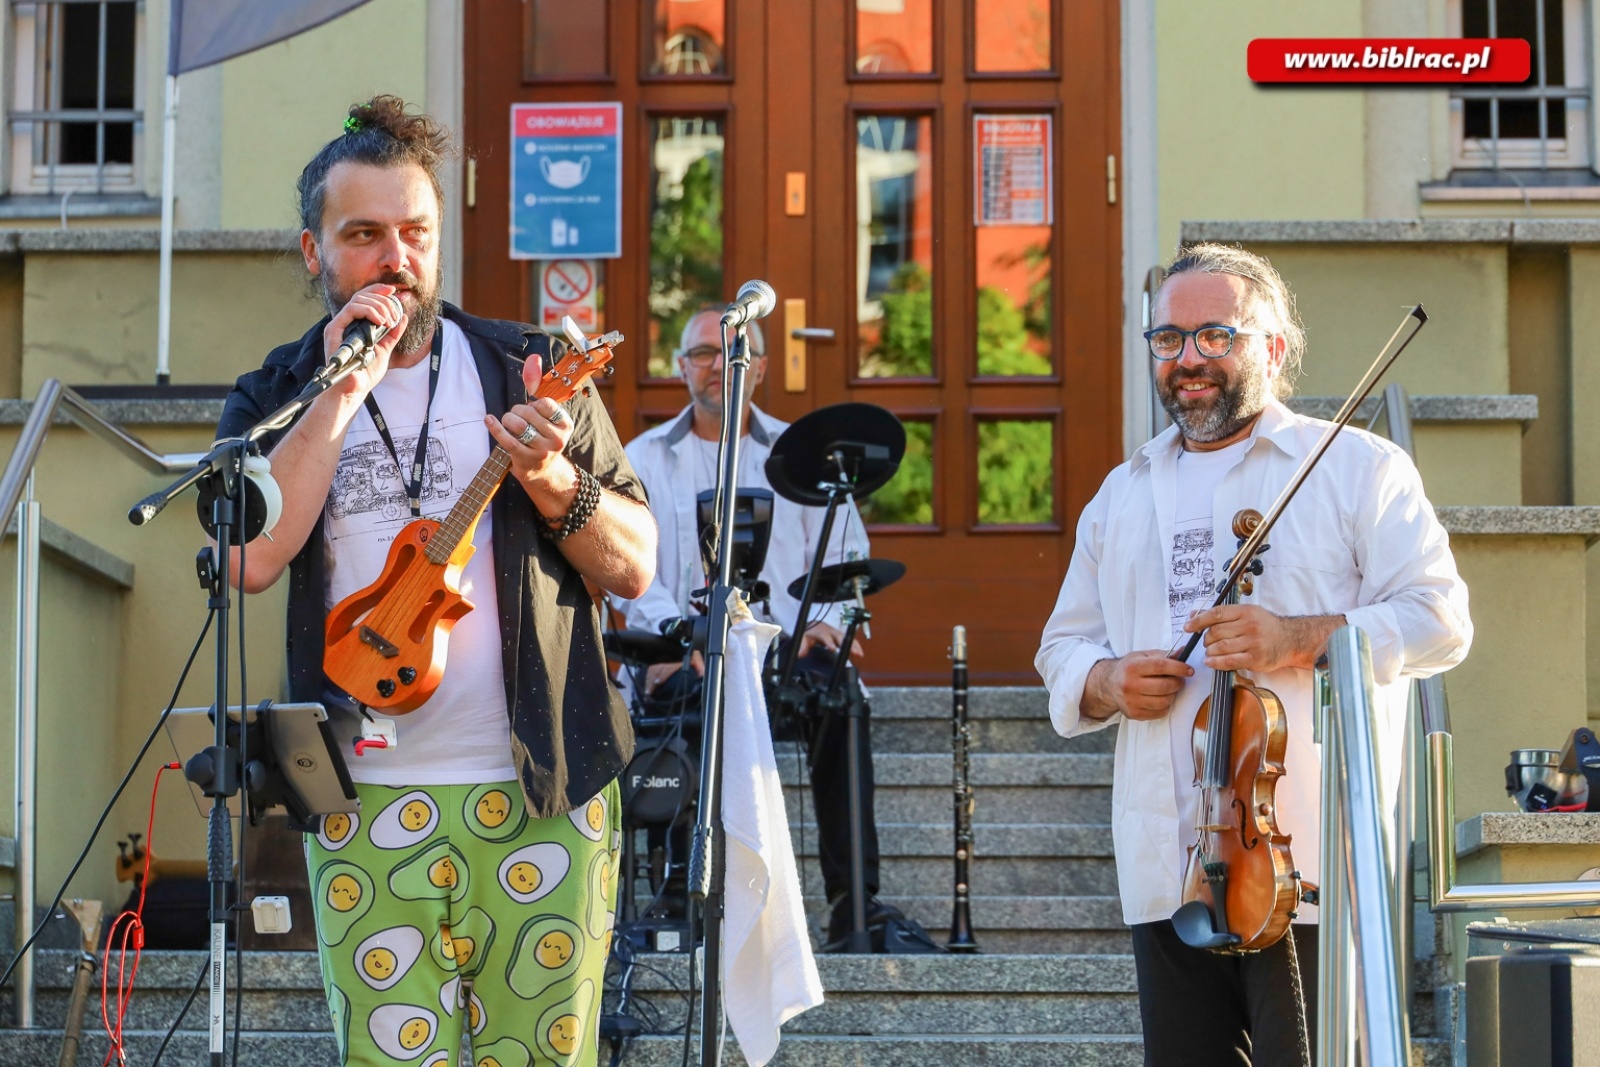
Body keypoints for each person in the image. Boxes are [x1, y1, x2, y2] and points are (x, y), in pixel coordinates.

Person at [216, 96, 656, 1067]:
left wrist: (550, 477)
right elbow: (248, 557)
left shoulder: (527, 368)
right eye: (363, 234)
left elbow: (634, 563)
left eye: (415, 231)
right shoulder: (278, 391)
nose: (394, 258)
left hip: (543, 787)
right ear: (314, 251)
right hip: (362, 797)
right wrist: (337, 392)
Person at [1035, 243, 1471, 1065]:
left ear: (1272, 346)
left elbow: (1441, 618)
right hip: (1167, 859)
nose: (1188, 359)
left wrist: (1297, 638)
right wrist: (1105, 680)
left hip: (1300, 860)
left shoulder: (1353, 468)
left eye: (1213, 335)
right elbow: (1062, 645)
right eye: (1168, 340)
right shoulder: (1121, 492)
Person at [614, 306, 889, 949]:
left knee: (840, 694)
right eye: (704, 354)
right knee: (686, 696)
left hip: (784, 654)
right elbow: (624, 568)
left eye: (734, 352)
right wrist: (678, 635)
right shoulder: (643, 458)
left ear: (760, 367)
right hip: (687, 653)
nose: (719, 366)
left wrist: (823, 627)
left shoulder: (807, 457)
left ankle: (854, 909)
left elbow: (846, 558)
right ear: (683, 368)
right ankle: (681, 899)